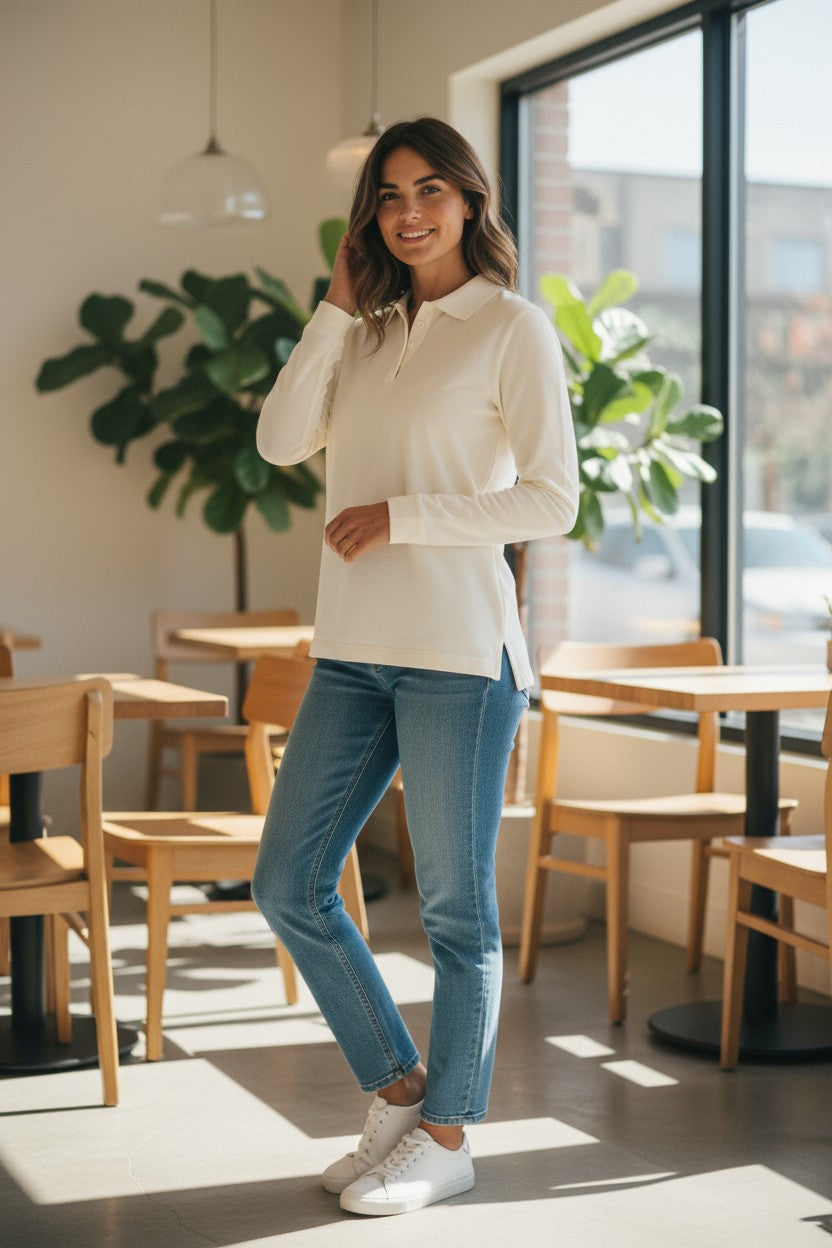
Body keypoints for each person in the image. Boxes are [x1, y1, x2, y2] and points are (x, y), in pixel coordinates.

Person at [252, 116, 579, 1218]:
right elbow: (279, 440)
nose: (408, 211)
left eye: (430, 189)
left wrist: (404, 514)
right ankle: (399, 1092)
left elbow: (550, 498)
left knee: (453, 913)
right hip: (352, 654)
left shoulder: (511, 329)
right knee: (287, 883)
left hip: (456, 654)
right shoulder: (369, 329)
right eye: (390, 195)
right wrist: (337, 308)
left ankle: (448, 1135)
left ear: (470, 201)